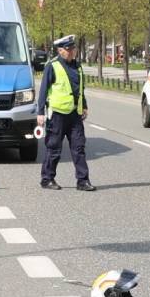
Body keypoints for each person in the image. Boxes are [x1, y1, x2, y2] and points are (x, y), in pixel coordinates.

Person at [36, 34, 93, 191]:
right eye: (68, 49)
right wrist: (40, 112)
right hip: (57, 115)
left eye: (73, 48)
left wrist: (84, 106)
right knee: (54, 148)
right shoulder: (52, 66)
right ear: (60, 50)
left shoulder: (78, 66)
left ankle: (83, 181)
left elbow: (80, 89)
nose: (72, 52)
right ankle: (47, 179)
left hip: (75, 114)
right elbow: (43, 90)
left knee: (79, 148)